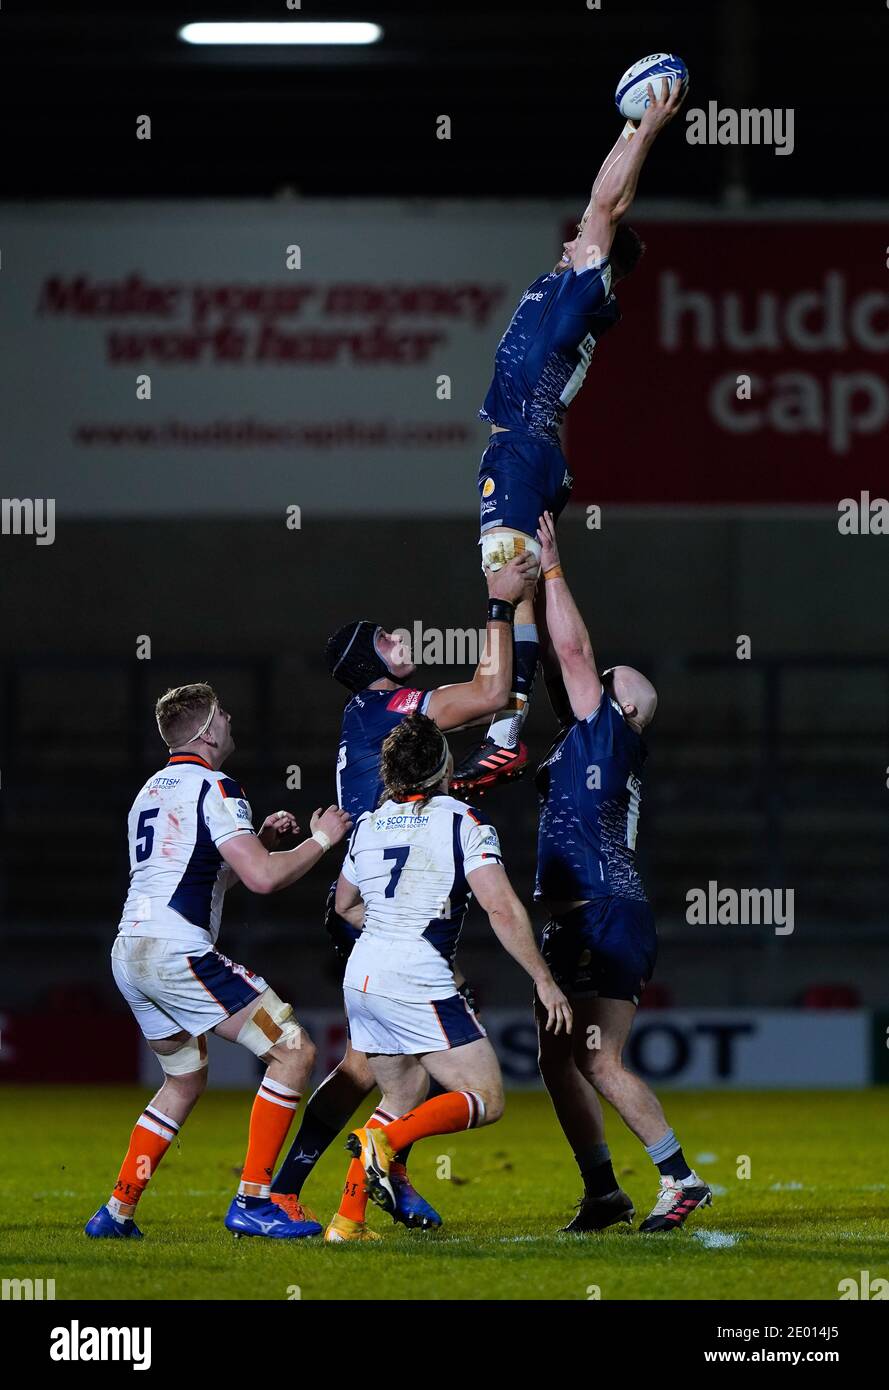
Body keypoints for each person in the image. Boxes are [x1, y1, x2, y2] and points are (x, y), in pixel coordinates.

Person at [270, 554, 536, 1229]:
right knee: (388, 1071)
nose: (401, 636)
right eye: (386, 636)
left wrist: (472, 774)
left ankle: (342, 1194)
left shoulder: (374, 716)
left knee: (388, 1069)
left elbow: (442, 755)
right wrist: (502, 603)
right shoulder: (380, 705)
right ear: (371, 662)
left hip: (369, 895)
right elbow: (490, 690)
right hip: (386, 910)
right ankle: (335, 1177)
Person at [453, 76, 686, 794]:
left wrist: (642, 128)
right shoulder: (564, 286)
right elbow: (596, 211)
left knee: (508, 582)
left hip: (522, 447)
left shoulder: (586, 285)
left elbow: (605, 203)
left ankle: (502, 732)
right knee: (518, 590)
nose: (570, 237)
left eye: (584, 240)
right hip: (527, 448)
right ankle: (513, 727)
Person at [84, 683, 350, 1241]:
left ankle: (116, 1212)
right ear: (207, 731)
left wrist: (256, 839)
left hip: (130, 950)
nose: (230, 719)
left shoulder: (150, 791)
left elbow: (199, 872)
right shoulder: (217, 786)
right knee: (293, 1051)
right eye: (223, 713)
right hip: (174, 951)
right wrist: (322, 841)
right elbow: (264, 878)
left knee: (182, 1080)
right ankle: (253, 1199)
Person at [325, 712, 572, 1241]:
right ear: (443, 766)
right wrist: (544, 980)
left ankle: (347, 1221)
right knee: (486, 1096)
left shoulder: (368, 823)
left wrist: (391, 928)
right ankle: (382, 1148)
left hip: (364, 975)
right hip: (415, 975)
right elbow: (501, 908)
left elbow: (344, 906)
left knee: (401, 1097)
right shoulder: (464, 820)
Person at [532, 514, 712, 1233]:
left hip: (606, 907)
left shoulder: (610, 729)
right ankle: (603, 1190)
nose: (589, 682)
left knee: (598, 1058)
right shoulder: (587, 739)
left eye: (604, 684)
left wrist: (548, 565)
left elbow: (571, 649)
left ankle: (679, 1176)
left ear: (625, 706)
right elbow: (554, 658)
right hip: (580, 912)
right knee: (556, 1059)